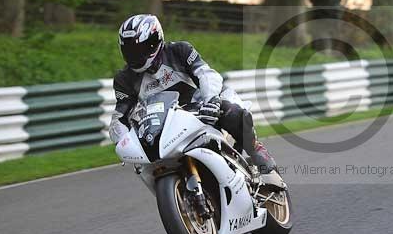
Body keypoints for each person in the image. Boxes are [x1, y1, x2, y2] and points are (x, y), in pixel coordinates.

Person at [109, 14, 280, 181]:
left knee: (232, 112)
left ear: (155, 42)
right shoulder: (124, 79)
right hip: (164, 125)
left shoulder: (180, 51)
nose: (134, 56)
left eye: (138, 49)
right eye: (129, 50)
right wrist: (124, 142)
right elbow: (120, 118)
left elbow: (205, 74)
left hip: (200, 107)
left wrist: (211, 100)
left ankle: (257, 151)